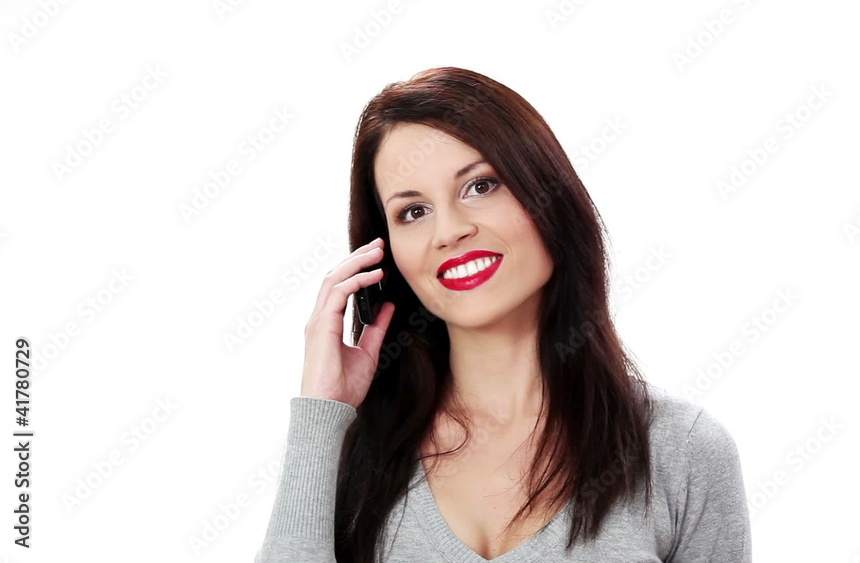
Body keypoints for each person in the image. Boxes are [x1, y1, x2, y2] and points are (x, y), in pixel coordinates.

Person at [254, 66, 751, 562]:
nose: (449, 231)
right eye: (414, 212)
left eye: (480, 186)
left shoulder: (682, 449)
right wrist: (320, 410)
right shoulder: (346, 450)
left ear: (548, 195)